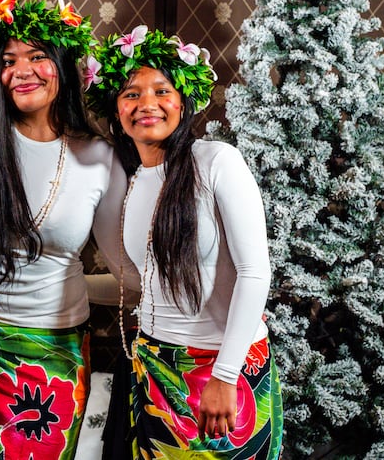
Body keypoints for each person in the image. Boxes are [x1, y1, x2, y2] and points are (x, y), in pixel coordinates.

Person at [0, 0, 127, 460]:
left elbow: (126, 272)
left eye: (37, 57)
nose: (22, 71)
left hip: (55, 357)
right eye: (8, 60)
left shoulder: (97, 158)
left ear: (64, 64)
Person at [84, 26, 284, 458]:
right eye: (131, 94)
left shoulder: (216, 162)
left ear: (183, 100)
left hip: (221, 372)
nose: (146, 104)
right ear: (116, 108)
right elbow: (141, 283)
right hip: (154, 373)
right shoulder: (135, 182)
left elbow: (255, 273)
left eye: (161, 90)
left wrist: (226, 376)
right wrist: (68, 284)